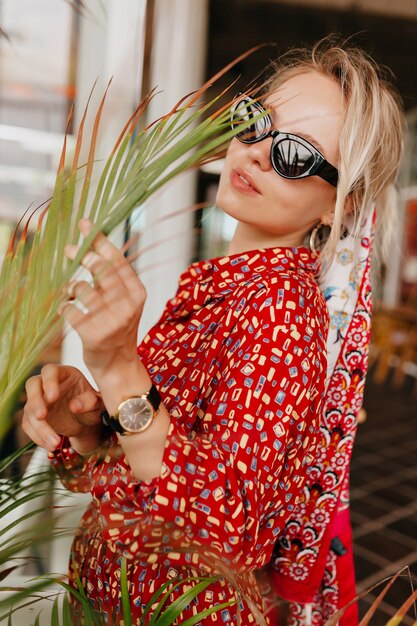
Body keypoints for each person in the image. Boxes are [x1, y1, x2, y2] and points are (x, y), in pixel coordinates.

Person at [22, 36, 405, 626]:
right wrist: (84, 423)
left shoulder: (279, 310)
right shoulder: (222, 286)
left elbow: (229, 528)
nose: (253, 153)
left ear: (343, 206)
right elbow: (136, 475)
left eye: (295, 155)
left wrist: (123, 368)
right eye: (255, 121)